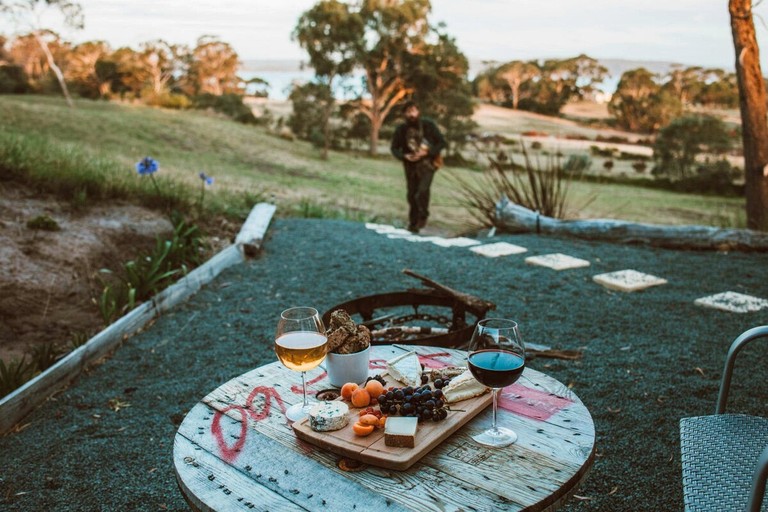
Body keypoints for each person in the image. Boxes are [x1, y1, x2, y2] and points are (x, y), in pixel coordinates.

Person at [390, 100, 446, 233]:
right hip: (410, 166)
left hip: (428, 165)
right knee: (411, 195)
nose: (411, 114)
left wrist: (427, 152)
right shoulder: (401, 129)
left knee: (422, 191)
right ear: (404, 114)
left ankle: (423, 215)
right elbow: (394, 148)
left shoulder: (428, 125)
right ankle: (413, 224)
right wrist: (404, 156)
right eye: (408, 111)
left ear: (418, 111)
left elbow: (442, 143)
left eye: (413, 111)